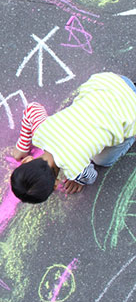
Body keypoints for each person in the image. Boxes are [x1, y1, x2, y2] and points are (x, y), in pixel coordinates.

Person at [10, 72, 136, 204]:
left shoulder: (76, 169)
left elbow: (91, 176)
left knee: (101, 160)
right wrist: (22, 146)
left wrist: (78, 180)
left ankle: (131, 136)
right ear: (27, 160)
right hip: (110, 82)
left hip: (131, 109)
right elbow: (31, 109)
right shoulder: (40, 130)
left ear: (55, 184)